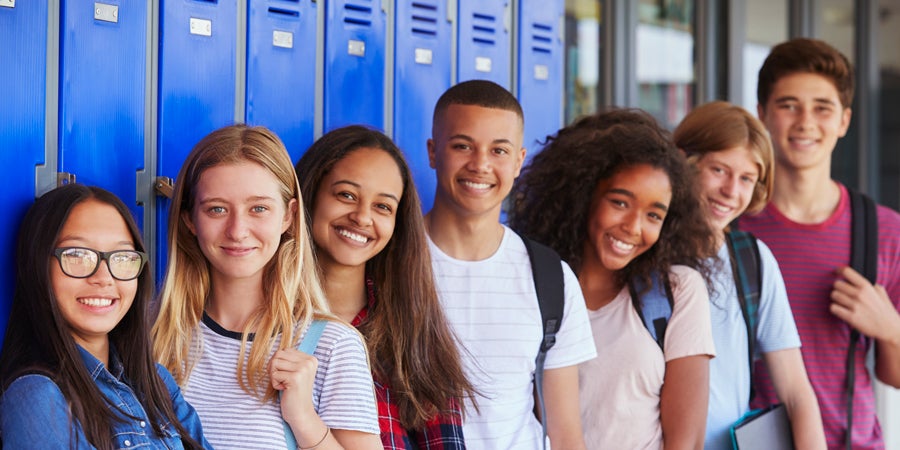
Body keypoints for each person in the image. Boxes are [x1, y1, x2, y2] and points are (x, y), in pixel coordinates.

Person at [152, 124, 382, 449]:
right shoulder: (153, 335)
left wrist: (304, 420)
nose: (238, 230)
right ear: (190, 219)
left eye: (258, 208)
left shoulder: (332, 346)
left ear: (288, 216)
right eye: (217, 209)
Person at [509, 108, 717, 449]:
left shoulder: (676, 292)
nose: (634, 227)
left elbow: (686, 443)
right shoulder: (532, 285)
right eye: (620, 202)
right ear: (584, 194)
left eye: (653, 215)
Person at [739, 37, 900, 449]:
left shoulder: (884, 231)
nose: (805, 122)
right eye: (788, 105)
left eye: (822, 108)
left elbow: (894, 375)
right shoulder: (733, 227)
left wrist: (892, 331)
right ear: (763, 115)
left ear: (844, 121)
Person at [424, 79, 596, 449]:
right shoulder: (388, 261)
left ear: (519, 162)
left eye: (498, 150)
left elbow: (565, 433)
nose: (480, 164)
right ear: (433, 152)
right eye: (462, 146)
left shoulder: (550, 278)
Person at [295, 125, 478, 449]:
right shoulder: (261, 318)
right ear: (310, 194)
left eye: (383, 207)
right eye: (346, 195)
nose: (362, 217)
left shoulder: (416, 334)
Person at [0, 184, 209, 449]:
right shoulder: (39, 397)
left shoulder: (156, 382)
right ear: (39, 265)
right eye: (77, 255)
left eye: (122, 256)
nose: (103, 277)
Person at [674, 100, 826, 449]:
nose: (731, 191)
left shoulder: (752, 260)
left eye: (746, 178)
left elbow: (796, 391)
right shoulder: (646, 253)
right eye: (719, 170)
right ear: (684, 162)